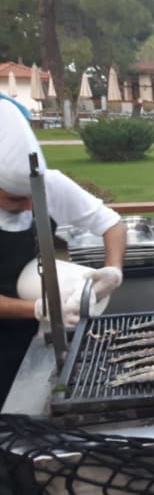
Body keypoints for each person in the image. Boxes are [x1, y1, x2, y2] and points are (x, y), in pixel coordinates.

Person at [0, 96, 126, 405]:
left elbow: (112, 224)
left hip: (38, 330)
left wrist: (113, 270)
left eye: (35, 196)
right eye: (15, 199)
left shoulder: (50, 183)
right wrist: (36, 308)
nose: (30, 206)